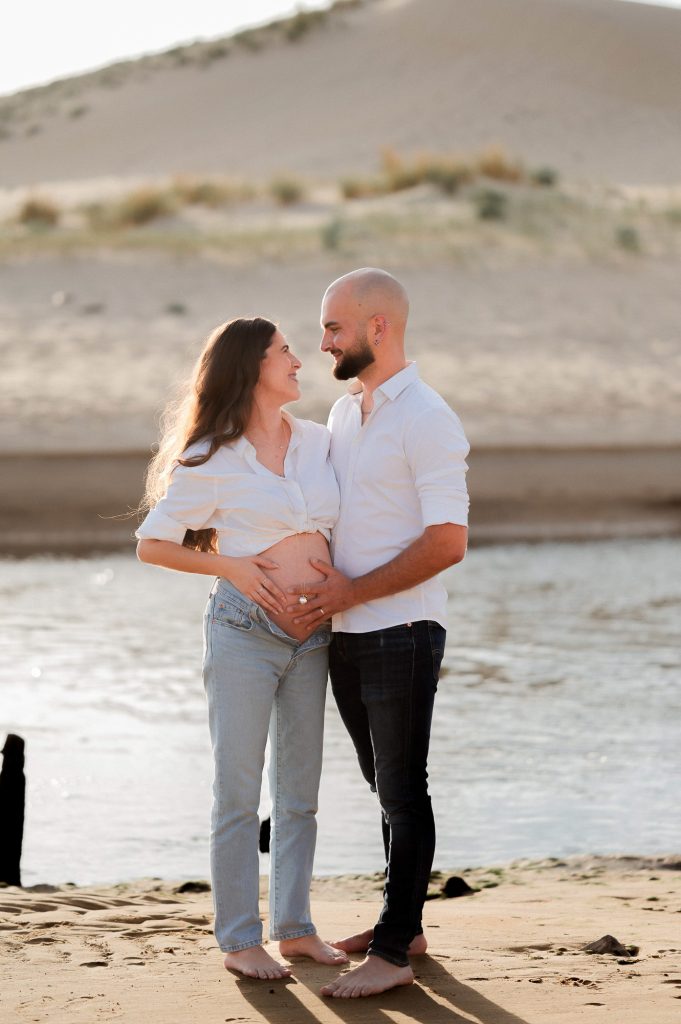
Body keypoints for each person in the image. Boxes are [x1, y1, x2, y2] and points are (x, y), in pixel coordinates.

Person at [136, 317, 348, 980]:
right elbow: (153, 543)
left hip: (313, 635)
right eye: (285, 351)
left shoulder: (319, 442)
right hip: (243, 635)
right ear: (251, 366)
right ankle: (237, 939)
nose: (298, 360)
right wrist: (232, 567)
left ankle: (294, 928)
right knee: (236, 791)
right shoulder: (212, 456)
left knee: (299, 793)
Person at [288, 269, 470, 998]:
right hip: (349, 628)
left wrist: (354, 591)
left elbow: (448, 541)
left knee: (402, 786)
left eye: (333, 327)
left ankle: (393, 950)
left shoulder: (427, 417)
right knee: (381, 785)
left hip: (402, 627)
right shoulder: (341, 414)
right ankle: (407, 925)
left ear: (377, 328)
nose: (323, 341)